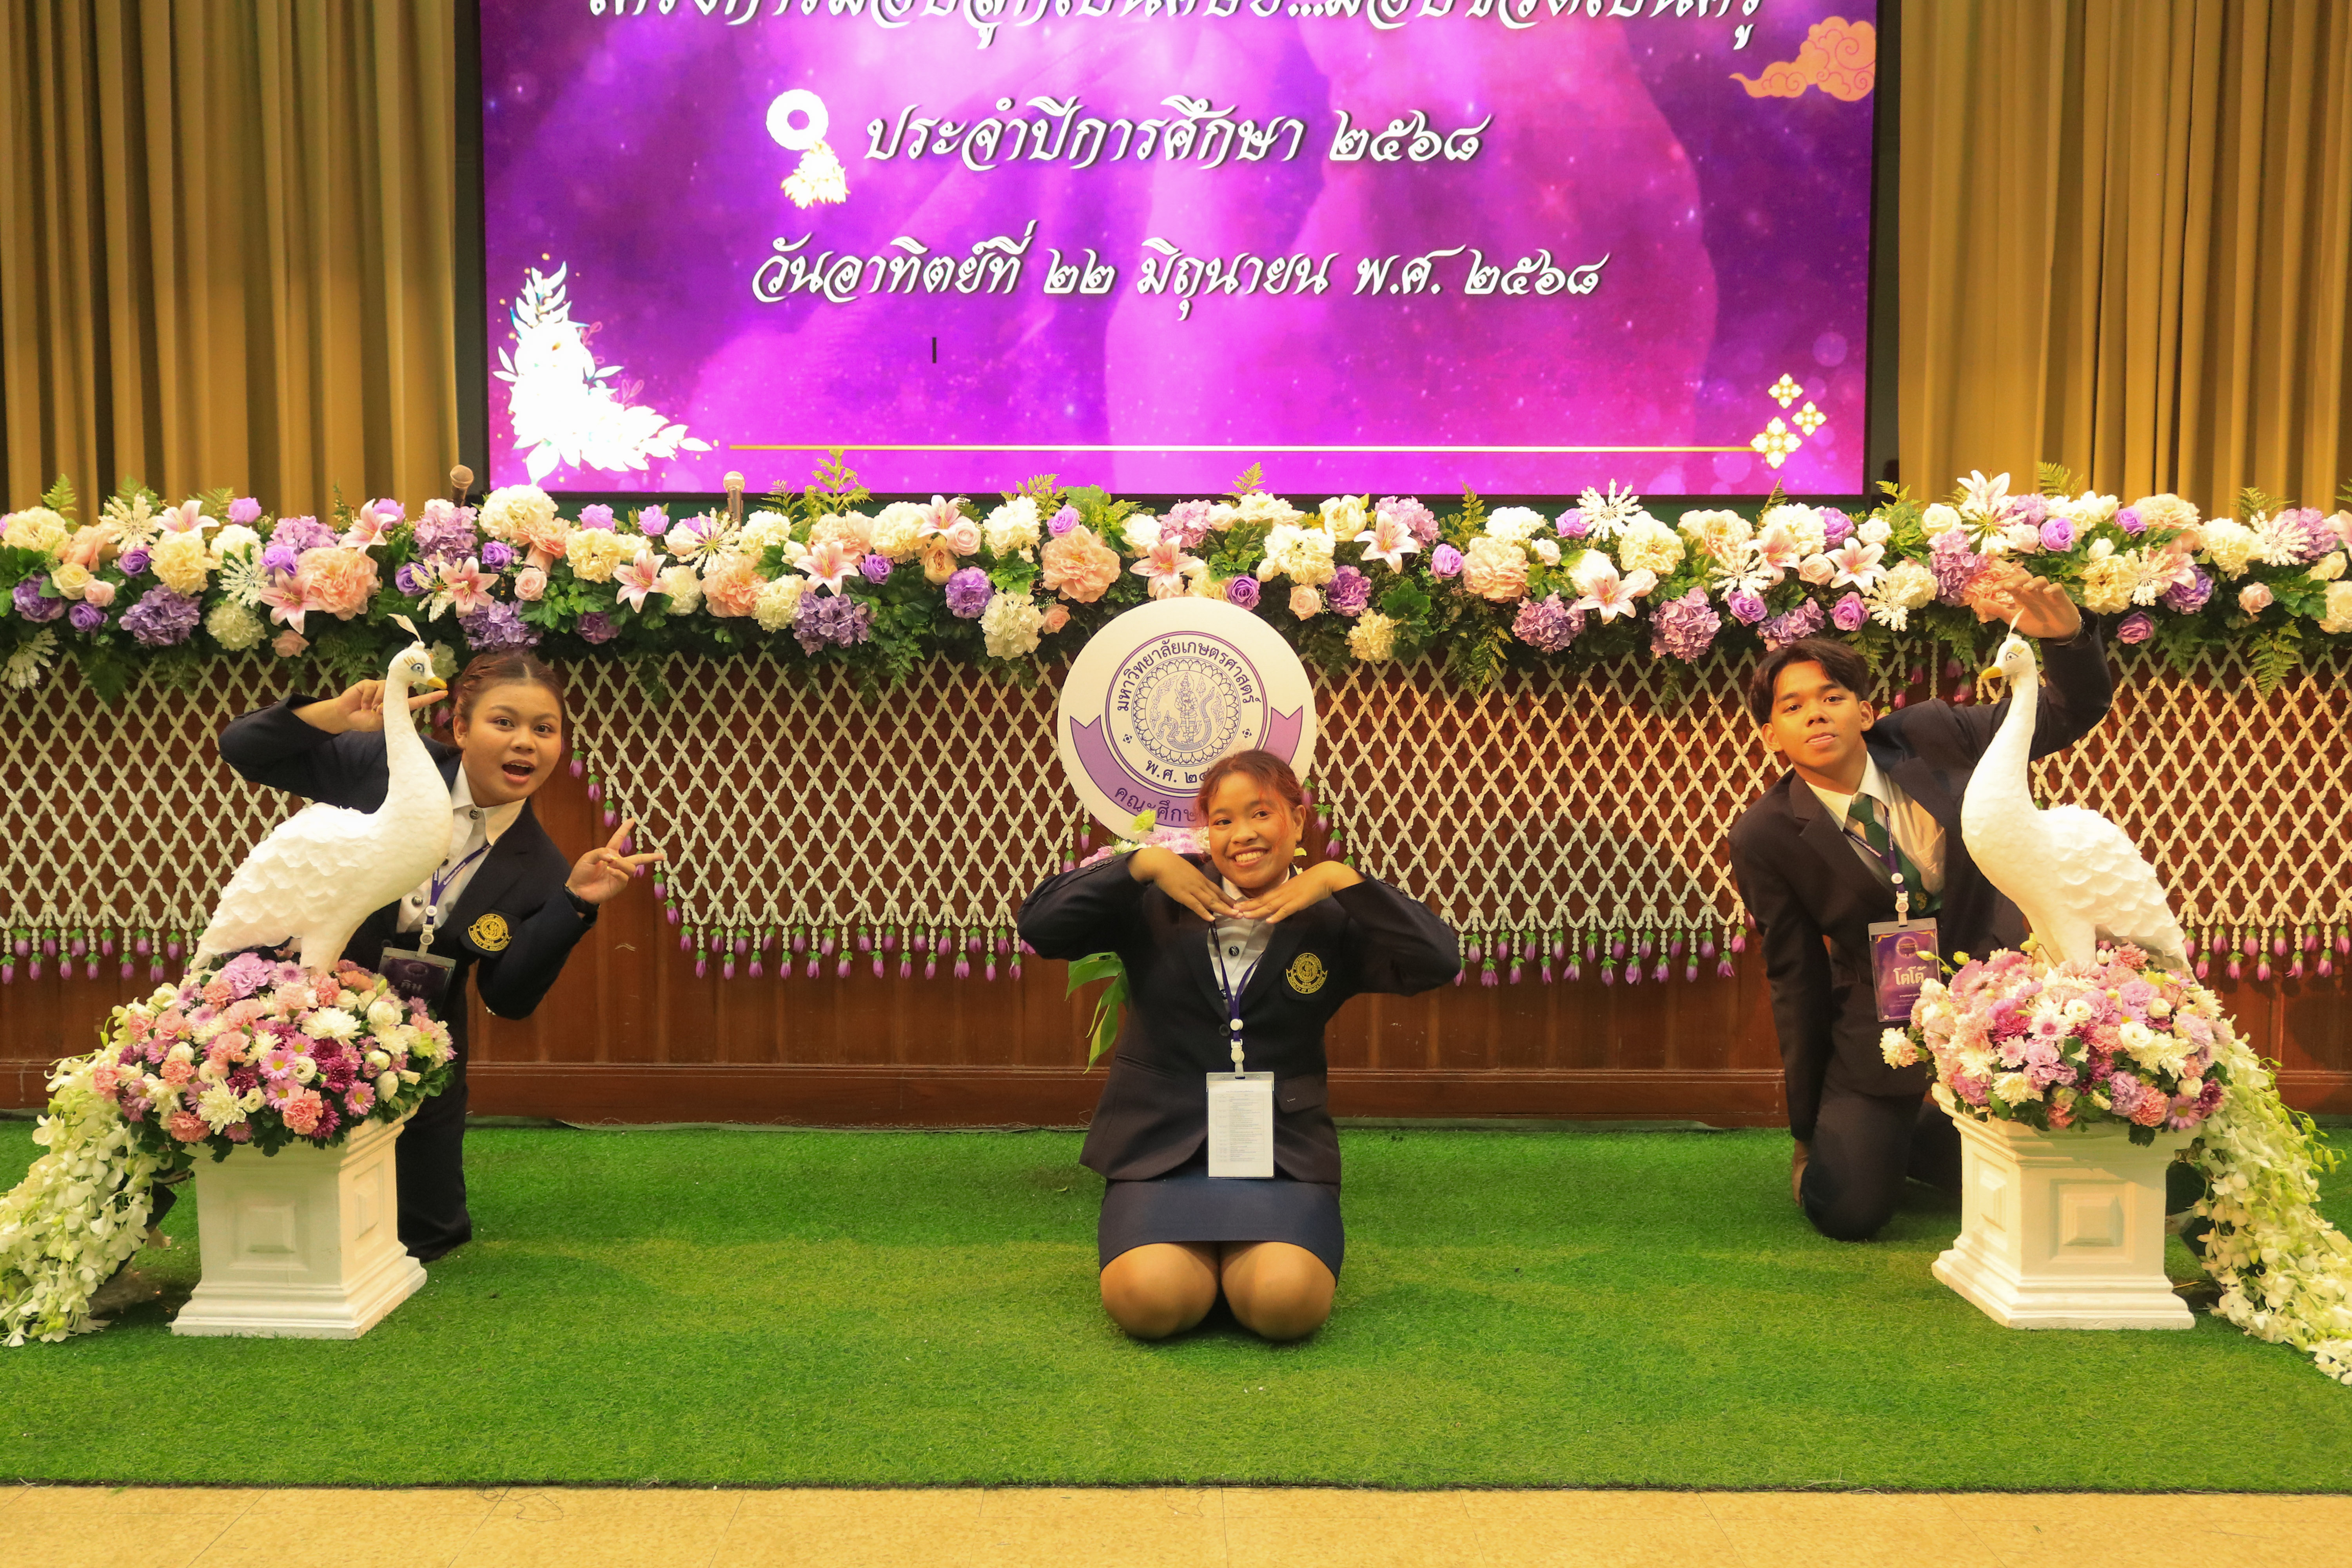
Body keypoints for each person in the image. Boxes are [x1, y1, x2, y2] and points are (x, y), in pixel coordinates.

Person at [216, 650, 660, 1260]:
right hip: (300, 1005)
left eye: (545, 729)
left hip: (418, 1049)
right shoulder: (386, 764)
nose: (525, 742)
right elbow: (242, 747)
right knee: (285, 1211)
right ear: (460, 728)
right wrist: (336, 715)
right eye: (504, 722)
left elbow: (509, 999)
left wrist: (574, 905)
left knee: (430, 1233)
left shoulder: (542, 868)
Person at [1020, 750, 1458, 1341]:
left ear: (1297, 821)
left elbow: (1437, 960)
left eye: (1261, 814)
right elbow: (1040, 927)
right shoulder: (1157, 899)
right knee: (1150, 1304)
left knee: (1285, 1306)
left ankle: (1245, 1266)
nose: (1242, 834)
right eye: (1223, 821)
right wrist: (1142, 865)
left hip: (1281, 1155)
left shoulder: (1332, 919)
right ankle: (1200, 1268)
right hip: (1158, 1150)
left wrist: (1339, 880)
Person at [1726, 578, 2112, 1242]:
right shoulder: (1763, 835)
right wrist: (1806, 1130)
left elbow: (2066, 712)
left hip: (2002, 1005)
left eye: (1832, 697)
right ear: (1771, 735)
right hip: (1882, 1029)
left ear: (1865, 712)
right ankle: (1907, 1136)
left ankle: (1938, 1132)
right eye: (1794, 706)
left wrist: (2069, 642)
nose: (1816, 714)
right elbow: (1796, 978)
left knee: (2055, 1181)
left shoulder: (1936, 735)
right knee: (1849, 1213)